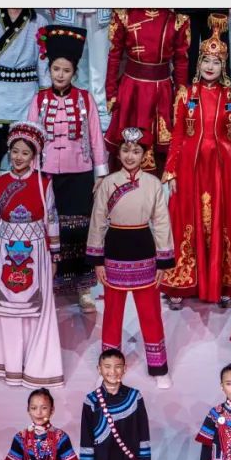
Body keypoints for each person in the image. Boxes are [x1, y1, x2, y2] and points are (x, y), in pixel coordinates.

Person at [161, 16, 231, 310]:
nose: (210, 66)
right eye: (206, 61)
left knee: (221, 222)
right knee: (186, 220)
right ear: (198, 64)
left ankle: (222, 282)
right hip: (190, 168)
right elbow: (177, 136)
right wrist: (171, 171)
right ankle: (180, 282)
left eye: (216, 62)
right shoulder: (186, 95)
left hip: (220, 170)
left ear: (223, 66)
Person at [0, 121, 63, 390]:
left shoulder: (44, 183)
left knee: (34, 312)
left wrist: (55, 255)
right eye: (15, 151)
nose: (19, 157)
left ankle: (33, 366)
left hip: (37, 254)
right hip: (6, 252)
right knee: (0, 310)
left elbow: (52, 220)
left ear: (34, 156)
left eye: (25, 153)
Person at [87, 127, 174, 389]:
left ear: (144, 155)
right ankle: (108, 368)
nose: (130, 156)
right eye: (125, 150)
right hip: (115, 251)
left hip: (144, 251)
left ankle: (158, 368)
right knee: (112, 314)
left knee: (150, 313)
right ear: (119, 153)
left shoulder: (153, 183)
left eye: (136, 151)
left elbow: (161, 223)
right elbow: (98, 221)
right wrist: (98, 260)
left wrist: (163, 260)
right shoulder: (107, 183)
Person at [29, 24, 108, 311]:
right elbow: (30, 138)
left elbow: (96, 136)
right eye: (55, 69)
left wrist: (101, 173)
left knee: (81, 231)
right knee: (51, 231)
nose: (60, 74)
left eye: (66, 70)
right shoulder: (39, 99)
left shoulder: (85, 98)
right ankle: (49, 282)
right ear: (49, 70)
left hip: (80, 174)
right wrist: (31, 173)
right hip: (48, 174)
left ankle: (83, 288)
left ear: (74, 72)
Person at [103, 9, 190, 175]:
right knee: (128, 142)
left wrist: (180, 97)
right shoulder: (125, 15)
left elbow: (181, 61)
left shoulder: (177, 21)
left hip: (162, 92)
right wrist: (111, 92)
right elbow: (114, 56)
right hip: (132, 91)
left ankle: (154, 187)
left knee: (160, 150)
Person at [0, 10, 48, 187]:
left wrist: (45, 94)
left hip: (27, 96)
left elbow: (43, 62)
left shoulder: (39, 22)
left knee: (26, 157)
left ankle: (26, 198)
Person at [45, 9, 112, 129]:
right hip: (68, 10)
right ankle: (73, 105)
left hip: (100, 10)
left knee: (100, 63)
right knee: (70, 62)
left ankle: (99, 112)